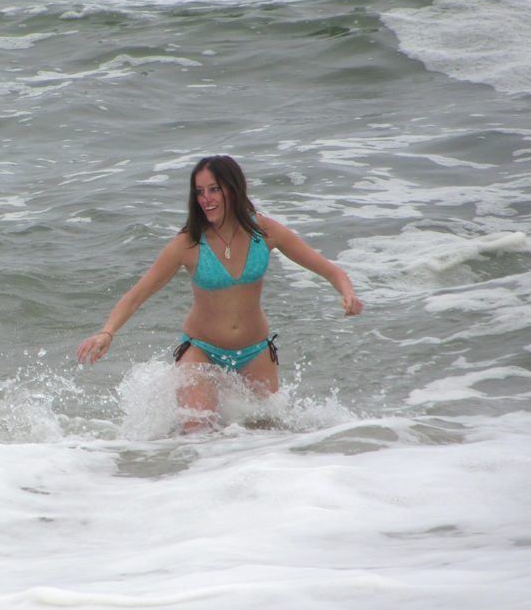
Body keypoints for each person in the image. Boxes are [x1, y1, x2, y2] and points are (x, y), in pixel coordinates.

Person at [77, 154, 362, 427]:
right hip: (202, 351)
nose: (206, 199)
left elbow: (330, 270)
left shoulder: (264, 232)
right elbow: (138, 294)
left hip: (256, 351)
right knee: (198, 432)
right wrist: (108, 331)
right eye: (199, 192)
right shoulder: (188, 244)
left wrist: (347, 293)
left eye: (214, 189)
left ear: (233, 189)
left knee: (269, 435)